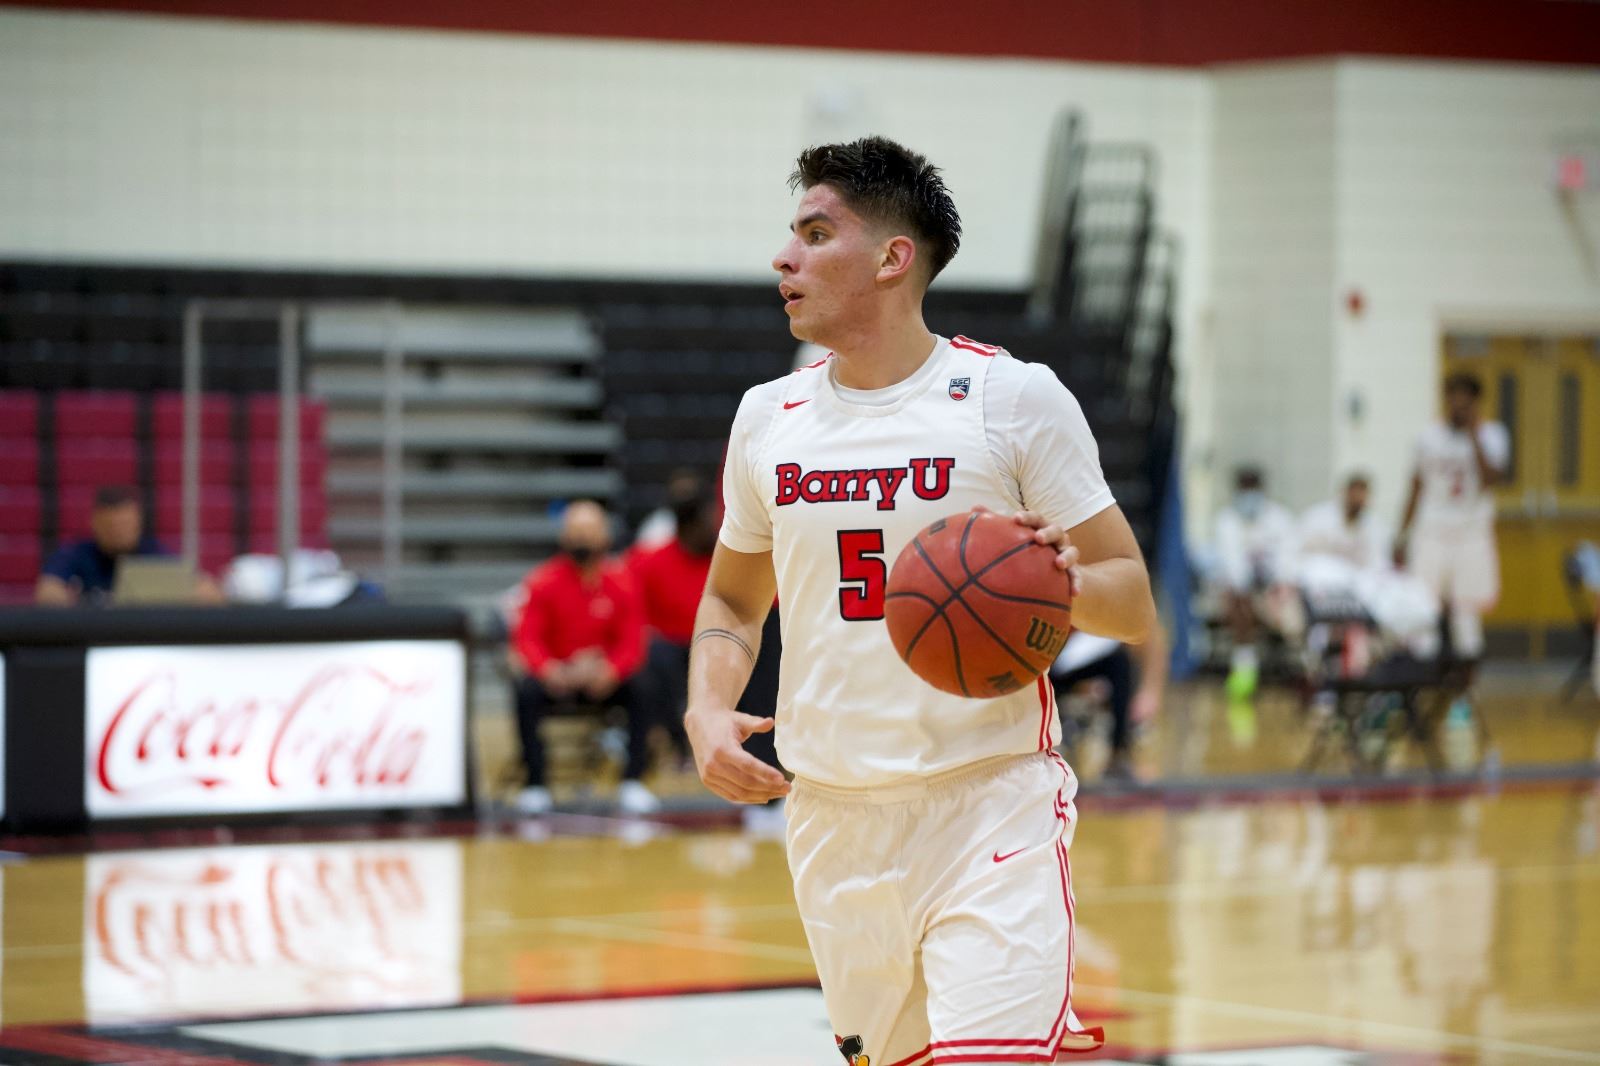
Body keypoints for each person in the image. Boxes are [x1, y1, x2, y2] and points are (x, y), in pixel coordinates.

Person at [686, 137, 1155, 1065]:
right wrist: (704, 707)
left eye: (817, 234)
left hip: (990, 802)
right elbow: (735, 603)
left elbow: (1132, 599)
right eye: (792, 235)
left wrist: (1054, 588)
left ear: (893, 259)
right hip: (832, 815)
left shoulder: (1011, 399)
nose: (785, 258)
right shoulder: (764, 419)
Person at [510, 500, 655, 816]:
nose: (582, 541)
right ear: (563, 538)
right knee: (525, 692)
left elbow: (633, 640)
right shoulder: (542, 581)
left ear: (605, 537)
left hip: (603, 679)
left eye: (589, 533)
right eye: (575, 533)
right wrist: (549, 669)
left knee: (643, 686)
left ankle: (632, 781)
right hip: (559, 677)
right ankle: (535, 783)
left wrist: (611, 670)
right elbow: (527, 638)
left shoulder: (622, 582)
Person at [1395, 373, 1509, 675]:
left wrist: (1473, 436)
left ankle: (1464, 694)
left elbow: (1489, 481)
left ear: (1475, 403)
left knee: (1466, 615)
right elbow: (1415, 487)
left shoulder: (1492, 435)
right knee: (1421, 608)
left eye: (1465, 400)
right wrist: (1401, 535)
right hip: (1432, 532)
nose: (1458, 406)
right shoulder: (1427, 437)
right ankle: (1420, 682)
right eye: (1453, 398)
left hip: (1471, 535)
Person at [630, 473, 721, 766]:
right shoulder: (648, 561)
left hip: (719, 647)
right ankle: (679, 743)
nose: (719, 522)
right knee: (656, 657)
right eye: (712, 515)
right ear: (690, 524)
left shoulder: (728, 558)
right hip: (672, 652)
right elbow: (628, 615)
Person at [36, 485, 219, 606]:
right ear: (95, 523)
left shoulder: (154, 553)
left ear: (138, 522)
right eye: (112, 526)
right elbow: (46, 592)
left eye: (126, 525)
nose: (119, 533)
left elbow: (209, 592)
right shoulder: (76, 554)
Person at [1213, 466, 1298, 700]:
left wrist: (1279, 584)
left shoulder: (1280, 519)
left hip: (1278, 593)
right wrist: (1244, 587)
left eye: (1253, 488)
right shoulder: (1227, 520)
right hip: (1243, 596)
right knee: (1238, 599)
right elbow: (1232, 564)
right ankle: (1245, 668)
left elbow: (1288, 559)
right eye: (1244, 489)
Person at [1049, 623, 1168, 783]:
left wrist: (1150, 692)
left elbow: (1153, 636)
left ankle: (1117, 755)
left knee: (1121, 662)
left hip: (1083, 662)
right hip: (1049, 658)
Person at [1298, 473, 1384, 575]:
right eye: (1354, 493)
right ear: (1345, 492)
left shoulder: (1374, 526)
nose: (1357, 499)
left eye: (1362, 495)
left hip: (1354, 579)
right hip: (1318, 575)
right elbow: (1300, 550)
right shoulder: (1318, 517)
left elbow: (1376, 562)